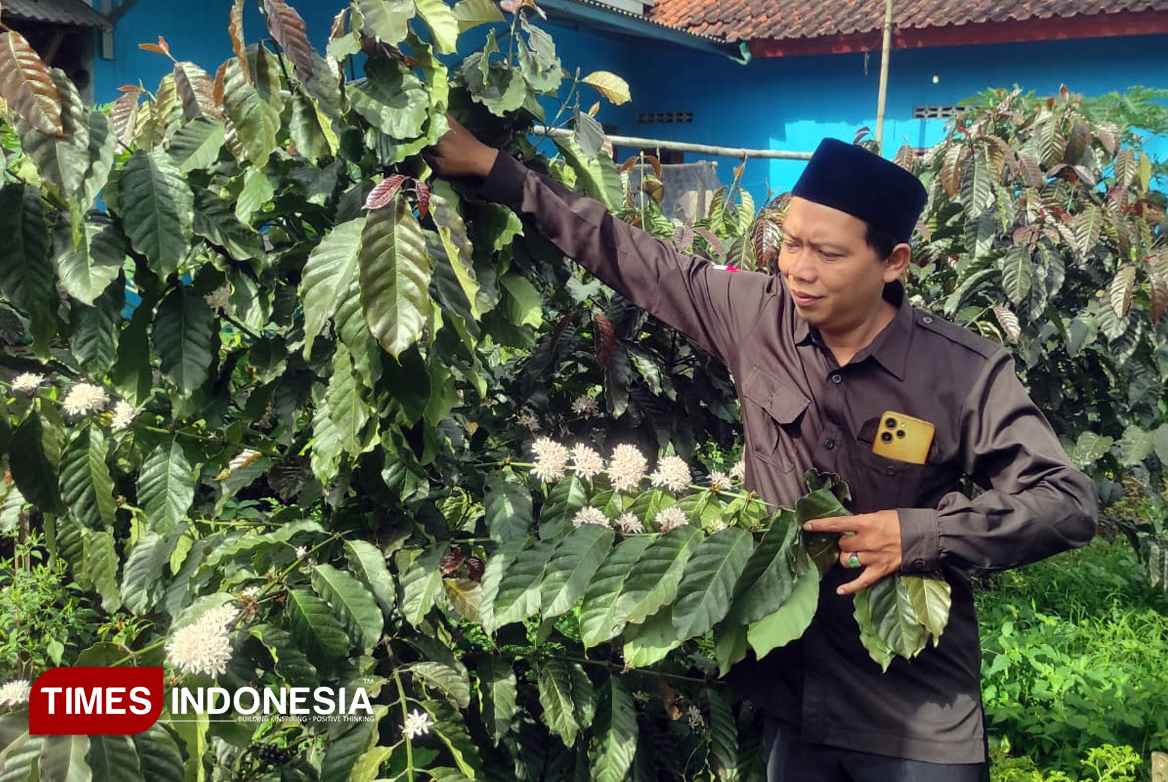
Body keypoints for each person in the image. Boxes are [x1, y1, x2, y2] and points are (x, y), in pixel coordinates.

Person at [426, 120, 1098, 781]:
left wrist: (919, 533)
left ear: (893, 262)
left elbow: (1066, 503)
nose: (799, 269)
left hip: (914, 707)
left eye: (828, 253)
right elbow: (629, 254)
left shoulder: (962, 373)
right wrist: (492, 168)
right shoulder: (755, 314)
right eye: (792, 243)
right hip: (793, 694)